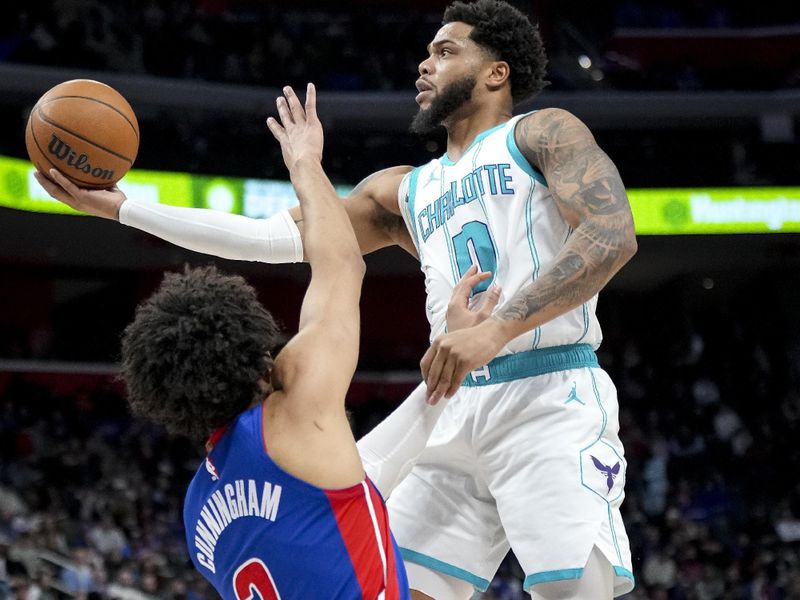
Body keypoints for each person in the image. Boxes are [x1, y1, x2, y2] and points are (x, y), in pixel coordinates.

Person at [36, 1, 638, 598]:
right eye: (427, 52)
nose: (424, 64)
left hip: (546, 394)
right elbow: (273, 238)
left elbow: (612, 234)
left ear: (496, 72)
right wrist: (123, 208)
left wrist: (496, 330)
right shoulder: (406, 190)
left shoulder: (542, 132)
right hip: (449, 400)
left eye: (445, 50)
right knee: (387, 585)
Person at [40, 84, 493, 600]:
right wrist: (305, 163)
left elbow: (358, 488)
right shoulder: (293, 410)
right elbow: (341, 261)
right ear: (255, 350)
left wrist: (447, 363)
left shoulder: (197, 514)